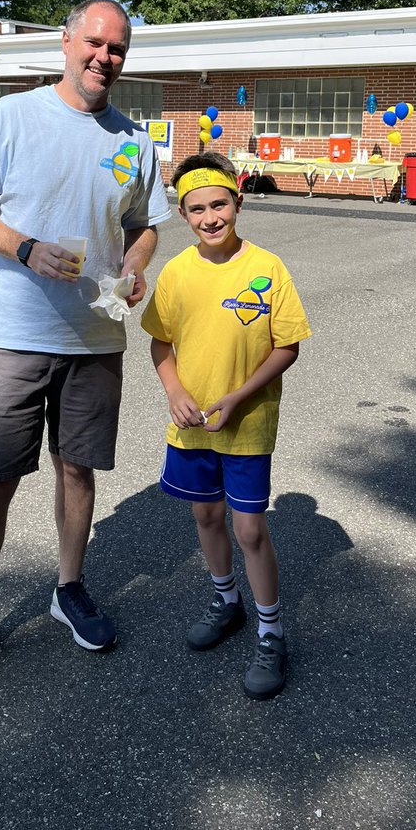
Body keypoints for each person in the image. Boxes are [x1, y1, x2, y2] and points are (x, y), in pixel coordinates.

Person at [0, 0, 171, 692]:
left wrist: (135, 264)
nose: (104, 57)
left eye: (117, 48)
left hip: (95, 336)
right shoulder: (13, 117)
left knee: (77, 470)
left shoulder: (131, 138)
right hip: (12, 334)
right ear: (66, 42)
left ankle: (70, 588)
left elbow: (145, 224)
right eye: (94, 42)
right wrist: (25, 246)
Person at [140, 152, 311, 700]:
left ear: (237, 202)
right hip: (192, 424)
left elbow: (287, 346)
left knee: (250, 529)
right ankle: (226, 600)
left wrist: (237, 397)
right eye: (197, 209)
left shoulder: (267, 267)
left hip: (247, 423)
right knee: (206, 515)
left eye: (219, 204)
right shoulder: (176, 272)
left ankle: (271, 631)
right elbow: (160, 341)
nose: (210, 217)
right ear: (184, 215)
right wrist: (175, 393)